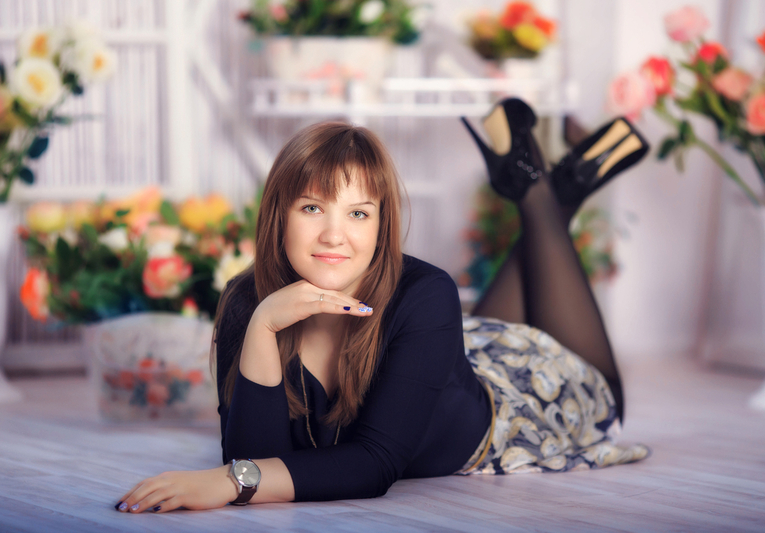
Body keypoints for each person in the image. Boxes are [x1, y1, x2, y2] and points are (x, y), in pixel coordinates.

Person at [113, 98, 650, 514]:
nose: (333, 235)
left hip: (520, 404)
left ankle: (541, 193)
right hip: (453, 354)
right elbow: (256, 455)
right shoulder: (246, 300)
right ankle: (550, 189)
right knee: (454, 334)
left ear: (381, 223)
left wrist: (230, 483)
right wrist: (262, 327)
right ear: (279, 214)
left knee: (609, 398)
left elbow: (373, 465)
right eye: (312, 207)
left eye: (358, 213)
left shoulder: (427, 291)